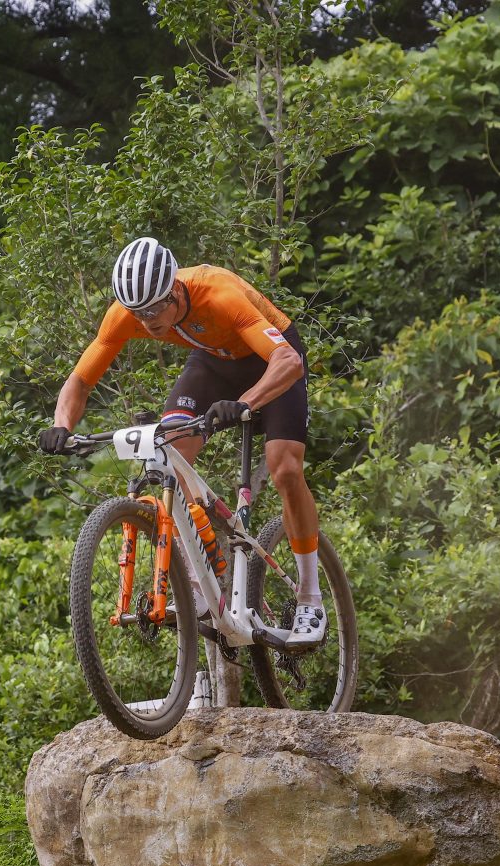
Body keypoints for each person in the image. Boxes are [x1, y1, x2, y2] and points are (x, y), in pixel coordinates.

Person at [37, 236, 327, 645]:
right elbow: (81, 380)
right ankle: (204, 573)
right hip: (212, 362)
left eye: (155, 309)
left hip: (270, 356)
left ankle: (311, 597)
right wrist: (62, 425)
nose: (148, 322)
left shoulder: (219, 293)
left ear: (175, 289)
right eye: (139, 313)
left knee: (284, 468)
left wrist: (242, 403)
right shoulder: (129, 313)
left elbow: (288, 362)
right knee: (167, 450)